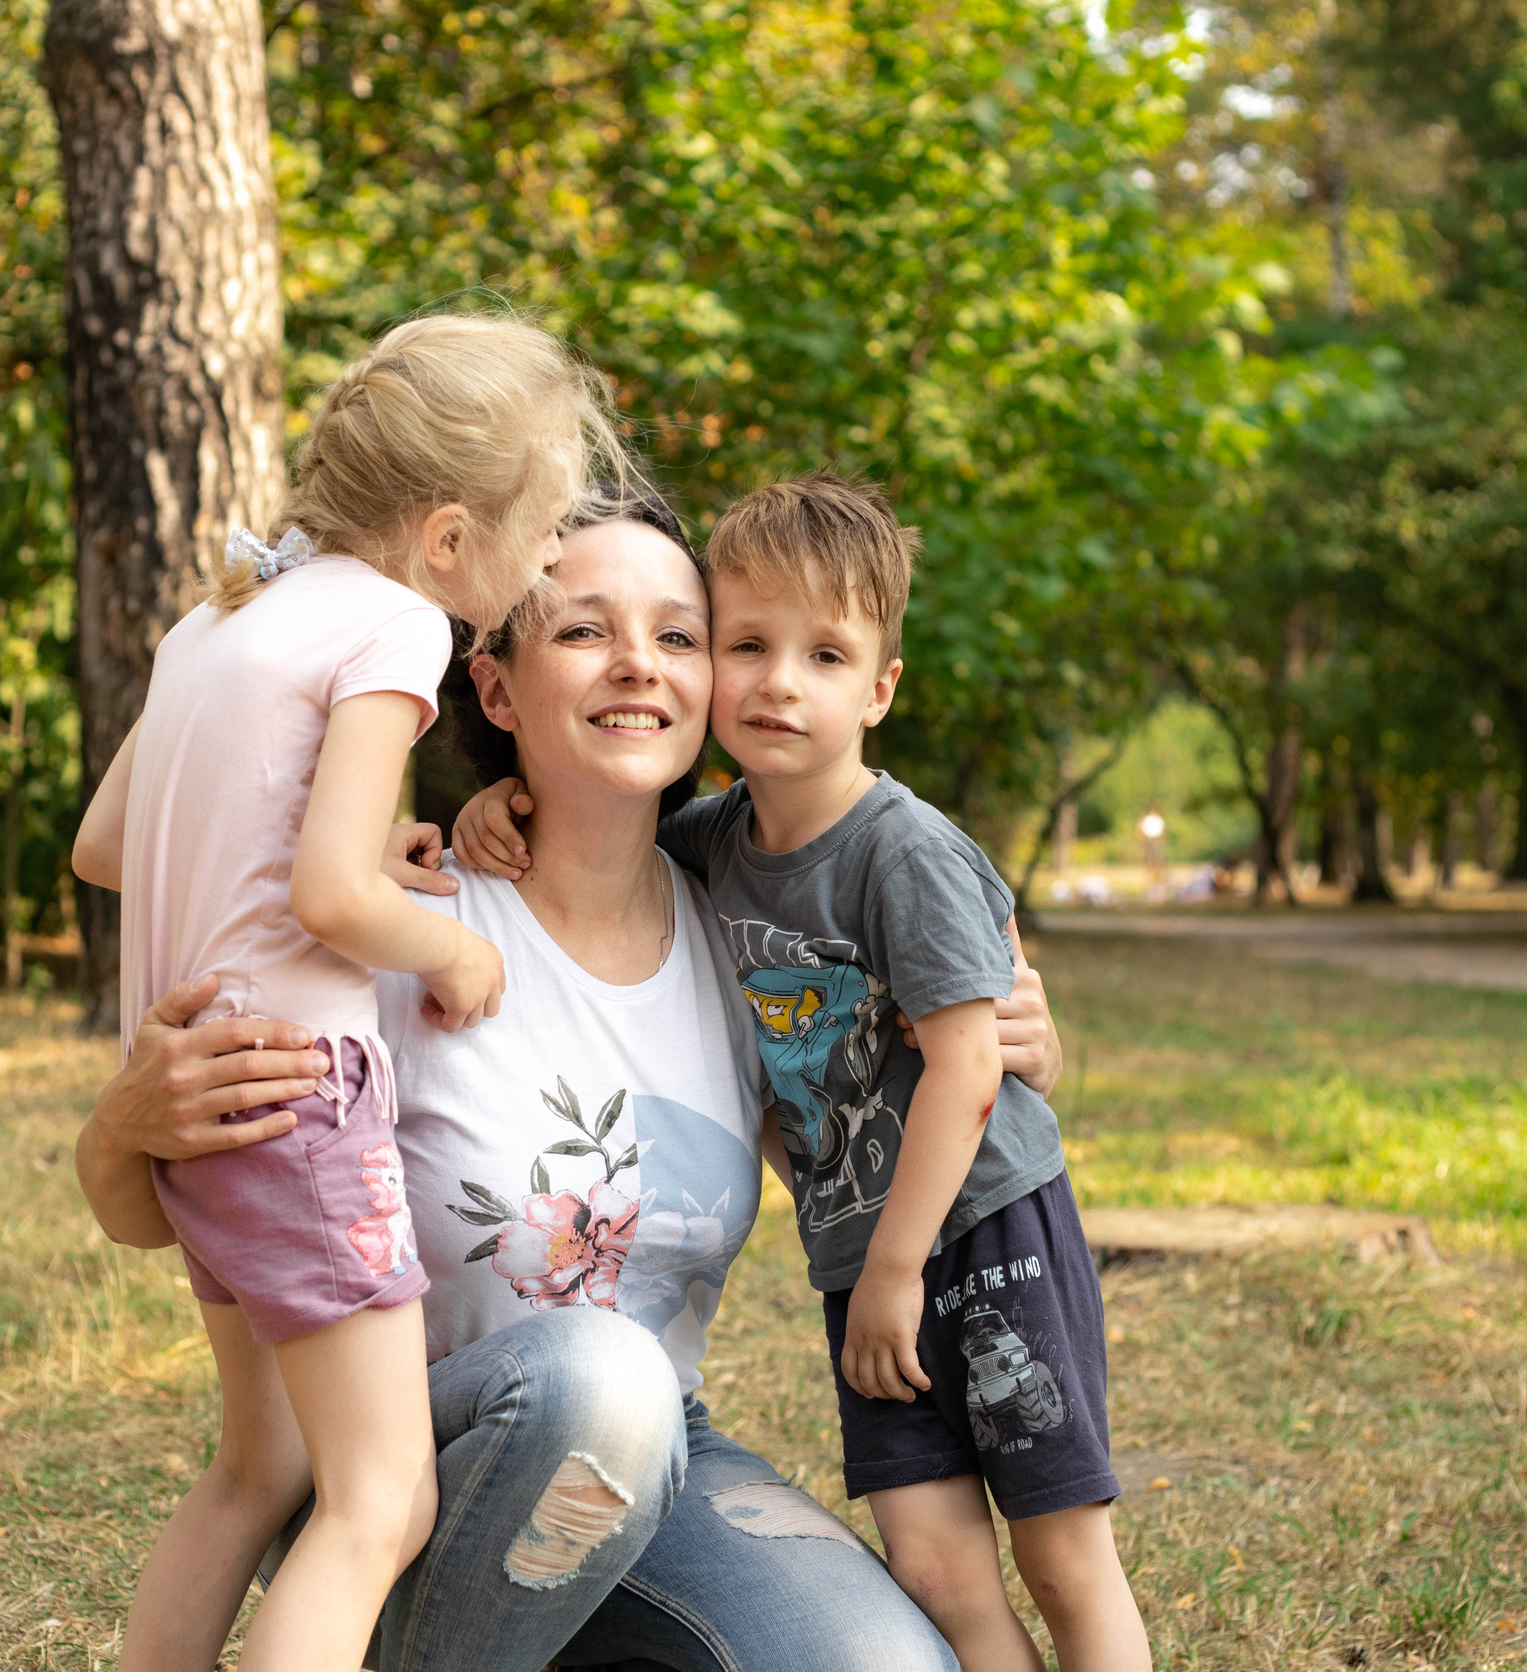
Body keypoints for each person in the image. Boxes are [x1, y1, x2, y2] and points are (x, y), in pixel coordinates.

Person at [73, 493, 1068, 1671]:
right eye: (584, 630)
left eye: (682, 635)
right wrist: (120, 1132)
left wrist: (1013, 1051)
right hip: (408, 1472)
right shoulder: (398, 923)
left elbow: (881, 1136)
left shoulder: (750, 940)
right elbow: (169, 1224)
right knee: (602, 1376)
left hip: (658, 1465)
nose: (638, 664)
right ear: (494, 688)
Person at [457, 474, 1148, 1672]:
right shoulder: (708, 850)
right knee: (934, 1568)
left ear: (880, 687)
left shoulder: (904, 849)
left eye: (825, 656)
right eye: (745, 645)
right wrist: (492, 804)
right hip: (856, 1265)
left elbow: (975, 1063)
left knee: (1060, 1555)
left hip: (982, 1233)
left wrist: (896, 1264)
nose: (778, 681)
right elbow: (597, 835)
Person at [69, 313, 634, 1672]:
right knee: (380, 1497)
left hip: (207, 1106)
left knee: (258, 1464)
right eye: (545, 529)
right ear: (449, 540)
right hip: (304, 1105)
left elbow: (106, 846)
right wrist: (451, 948)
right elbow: (331, 900)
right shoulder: (395, 625)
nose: (550, 557)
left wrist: (330, 851)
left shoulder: (227, 610)